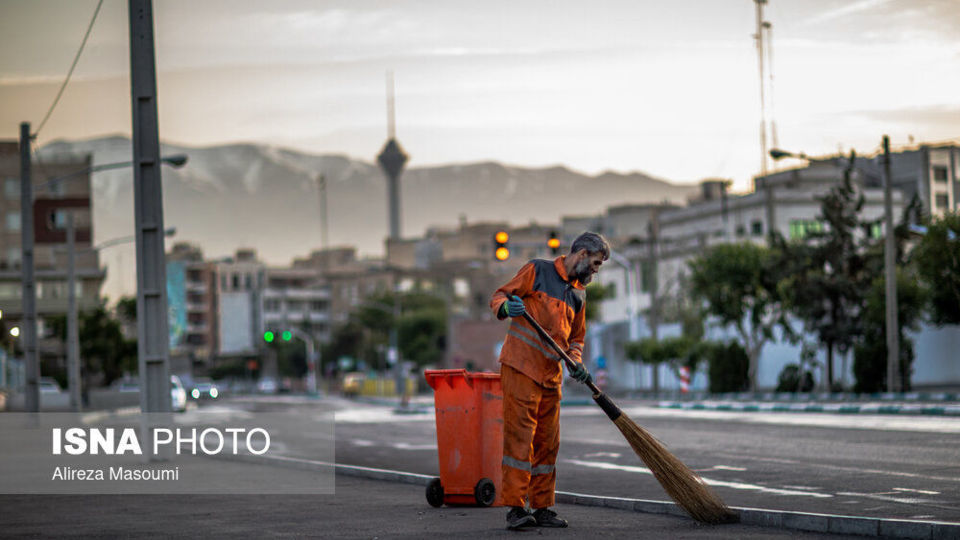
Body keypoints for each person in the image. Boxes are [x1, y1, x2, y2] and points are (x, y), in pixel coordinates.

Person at [490, 231, 609, 530]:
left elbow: (577, 338)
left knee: (547, 444)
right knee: (520, 440)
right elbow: (499, 296)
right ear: (582, 254)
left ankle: (542, 507)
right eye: (596, 263)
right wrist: (506, 308)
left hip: (550, 377)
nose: (596, 270)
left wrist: (576, 360)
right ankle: (516, 508)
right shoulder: (538, 271)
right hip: (521, 368)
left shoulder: (579, 294)